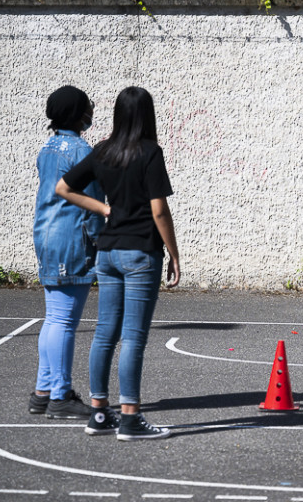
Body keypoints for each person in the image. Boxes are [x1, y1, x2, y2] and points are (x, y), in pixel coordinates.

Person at [55, 86, 181, 441]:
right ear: (147, 115)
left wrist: (103, 208)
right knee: (134, 338)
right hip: (141, 252)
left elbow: (63, 188)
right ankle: (129, 417)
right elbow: (159, 209)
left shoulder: (104, 151)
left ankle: (99, 413)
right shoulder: (150, 152)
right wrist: (174, 252)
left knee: (105, 333)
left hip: (108, 252)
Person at [29, 86, 103, 420]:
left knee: (53, 317)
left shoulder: (47, 148)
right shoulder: (80, 151)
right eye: (87, 108)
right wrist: (101, 239)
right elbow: (91, 203)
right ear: (78, 114)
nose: (90, 113)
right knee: (63, 320)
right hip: (69, 238)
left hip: (45, 234)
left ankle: (43, 391)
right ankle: (60, 394)